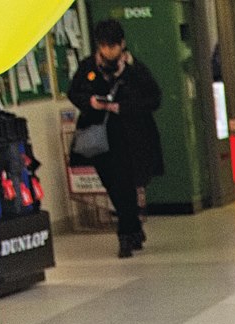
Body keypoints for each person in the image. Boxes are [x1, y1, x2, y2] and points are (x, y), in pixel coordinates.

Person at [66, 18, 163, 258]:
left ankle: (126, 233)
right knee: (112, 183)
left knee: (125, 183)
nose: (108, 51)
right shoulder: (88, 67)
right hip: (100, 135)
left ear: (122, 44)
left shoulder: (134, 70)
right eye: (104, 46)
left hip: (130, 135)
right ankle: (133, 228)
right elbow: (73, 92)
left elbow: (154, 98)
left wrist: (122, 107)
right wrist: (90, 102)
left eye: (113, 46)